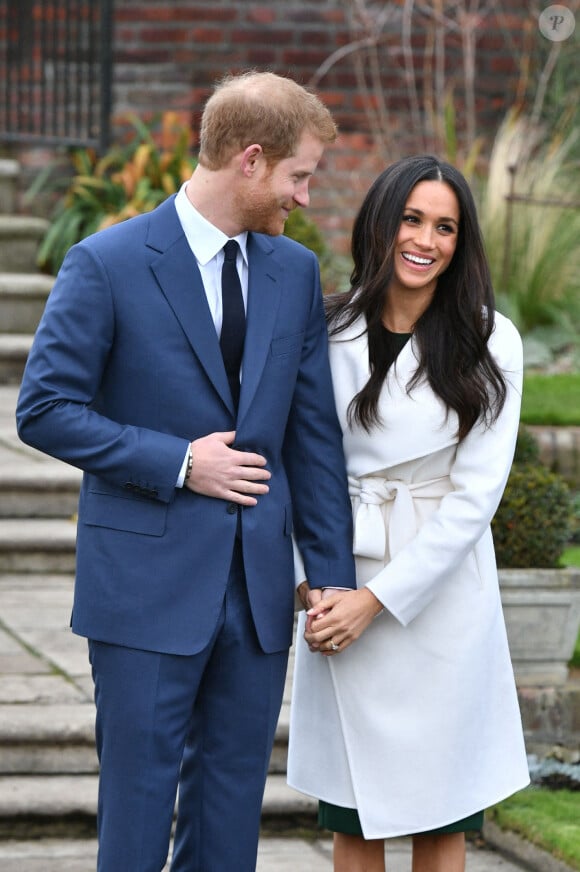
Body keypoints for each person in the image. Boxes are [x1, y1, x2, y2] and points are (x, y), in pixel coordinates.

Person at [16, 71, 356, 872]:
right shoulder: (106, 263)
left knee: (229, 817)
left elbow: (312, 440)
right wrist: (178, 461)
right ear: (249, 160)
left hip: (256, 594)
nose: (304, 198)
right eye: (298, 175)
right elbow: (44, 408)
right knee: (135, 815)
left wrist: (331, 574)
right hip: (143, 588)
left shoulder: (293, 274)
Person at [287, 154, 530, 872]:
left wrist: (378, 601)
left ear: (463, 241)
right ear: (381, 224)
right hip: (336, 576)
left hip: (438, 599)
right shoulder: (325, 327)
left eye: (446, 226)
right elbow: (301, 460)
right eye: (412, 219)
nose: (426, 240)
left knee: (438, 816)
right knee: (353, 815)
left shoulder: (492, 340)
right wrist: (313, 583)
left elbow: (474, 499)